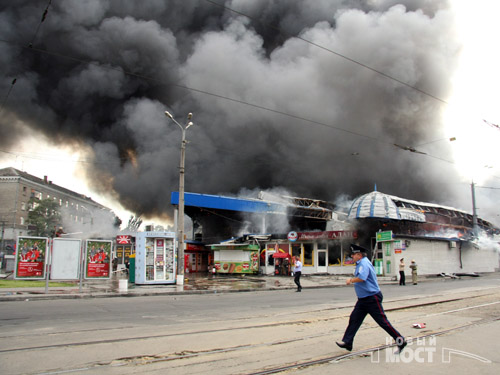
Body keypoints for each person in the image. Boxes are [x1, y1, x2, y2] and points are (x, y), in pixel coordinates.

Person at [336, 244, 407, 354]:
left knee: (383, 322)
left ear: (359, 255)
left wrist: (351, 280)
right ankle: (348, 342)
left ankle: (400, 340)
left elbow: (362, 278)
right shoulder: (361, 263)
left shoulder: (363, 264)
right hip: (363, 299)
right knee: (354, 319)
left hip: (371, 298)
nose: (352, 256)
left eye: (353, 254)